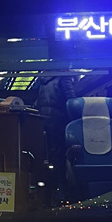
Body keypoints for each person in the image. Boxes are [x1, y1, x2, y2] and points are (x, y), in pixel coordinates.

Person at [34, 75, 78, 204]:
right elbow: (72, 102)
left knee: (50, 157)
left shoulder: (43, 82)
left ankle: (50, 192)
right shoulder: (64, 78)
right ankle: (63, 192)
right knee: (61, 158)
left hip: (45, 123)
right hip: (60, 123)